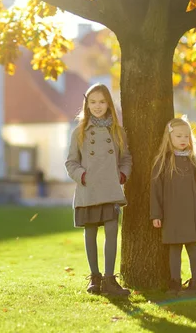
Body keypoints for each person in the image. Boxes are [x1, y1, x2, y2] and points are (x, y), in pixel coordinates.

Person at [65, 83, 132, 296]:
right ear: (86, 104)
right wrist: (82, 176)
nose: (97, 106)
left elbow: (126, 158)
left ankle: (110, 279)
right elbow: (71, 163)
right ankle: (94, 278)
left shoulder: (118, 131)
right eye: (92, 102)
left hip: (111, 188)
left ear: (109, 104)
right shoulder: (80, 132)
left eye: (102, 101)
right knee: (91, 232)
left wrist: (122, 175)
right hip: (88, 189)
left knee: (112, 231)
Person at [150, 117, 196, 296]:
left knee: (193, 248)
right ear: (169, 138)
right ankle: (175, 283)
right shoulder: (163, 162)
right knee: (174, 249)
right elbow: (156, 191)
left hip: (191, 214)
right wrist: (156, 214)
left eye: (186, 136)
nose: (183, 140)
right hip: (171, 215)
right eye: (178, 136)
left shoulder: (193, 162)